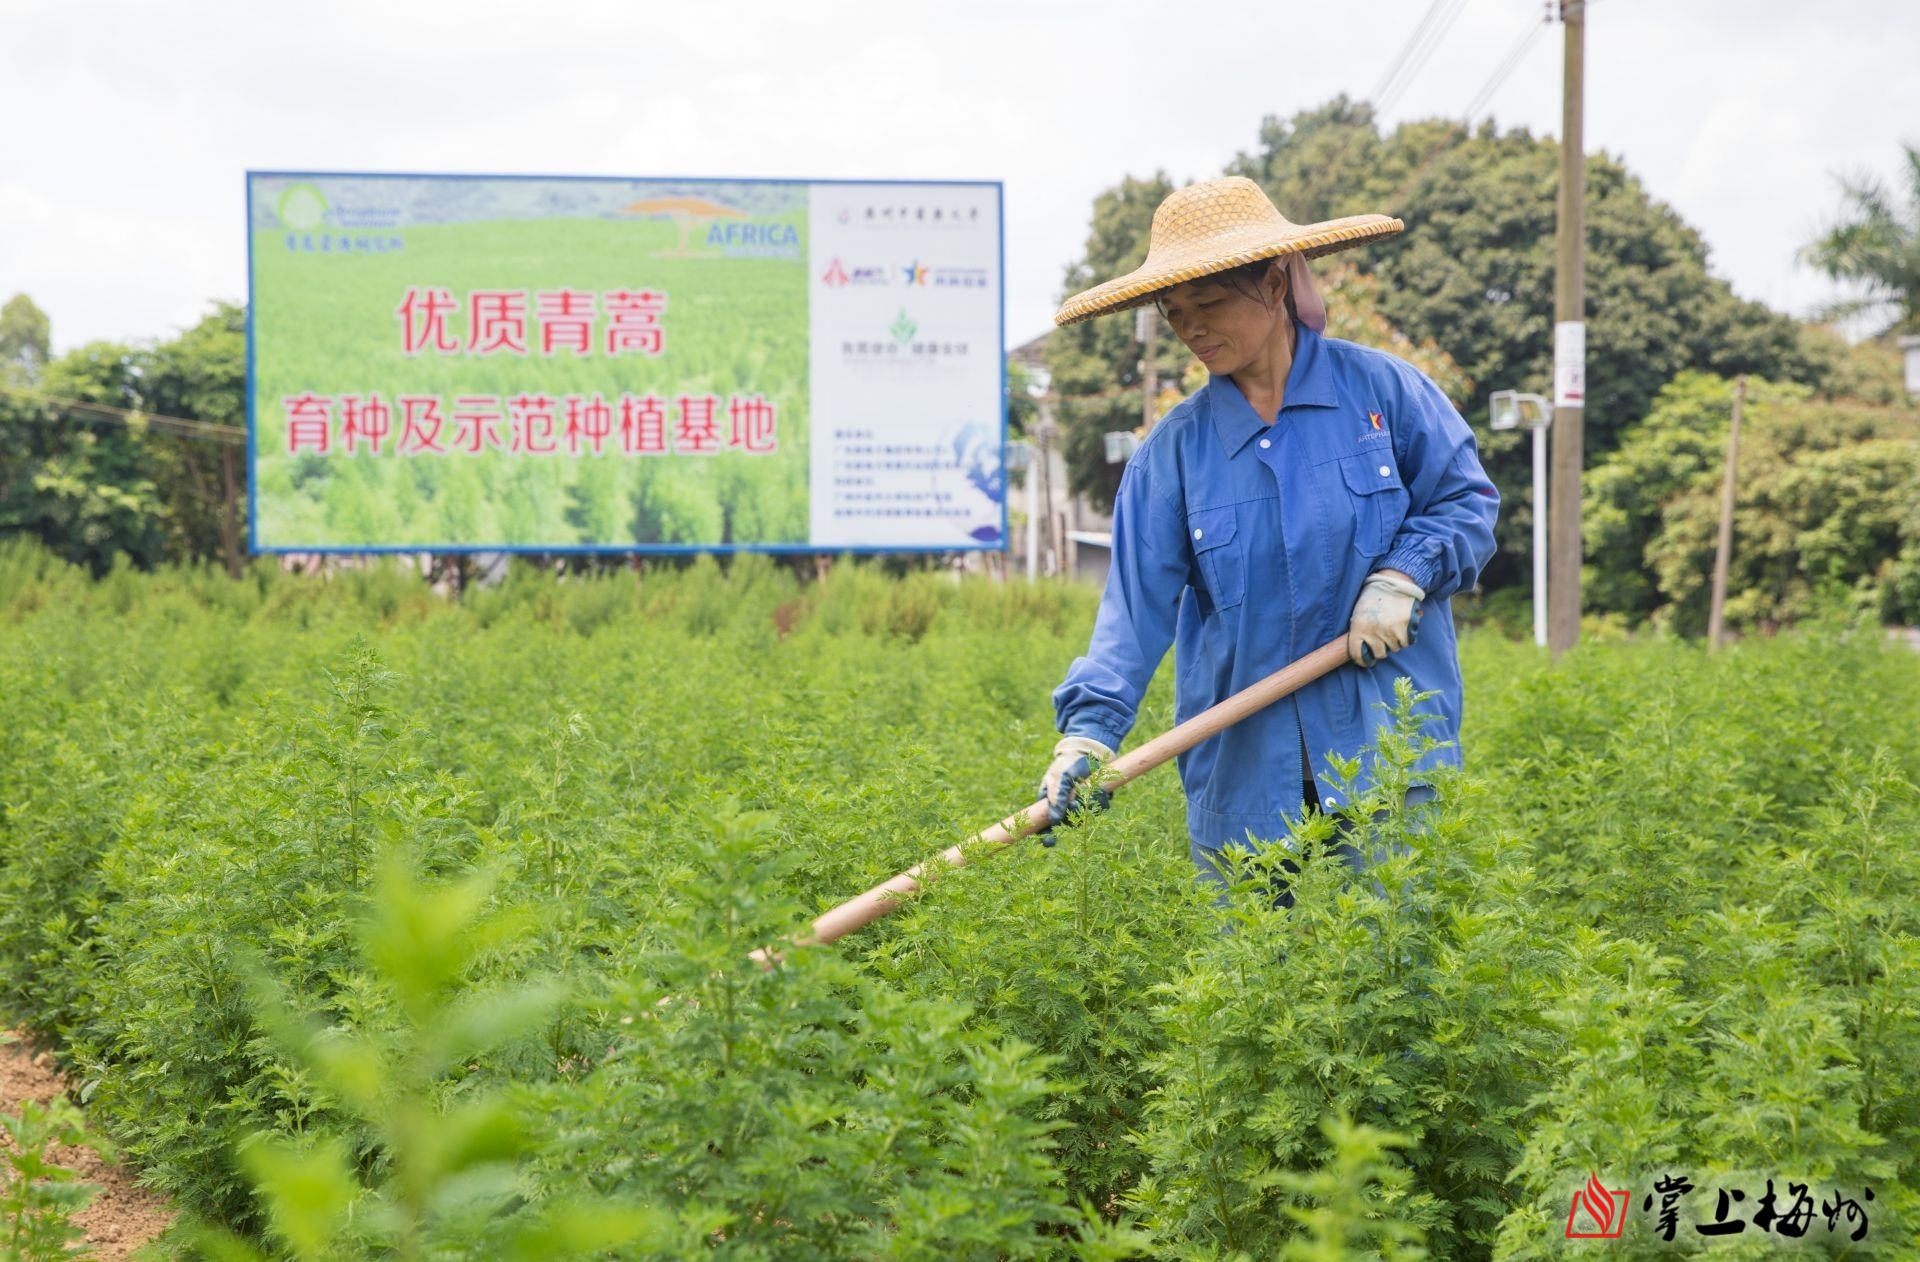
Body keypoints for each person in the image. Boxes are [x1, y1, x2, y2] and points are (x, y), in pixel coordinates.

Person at [1038, 176, 1499, 905]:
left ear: (1276, 284)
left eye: (1211, 302)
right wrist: (1090, 734)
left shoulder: (1385, 395)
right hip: (1245, 776)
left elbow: (1465, 502)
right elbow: (1132, 611)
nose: (1191, 327)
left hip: (1386, 756)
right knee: (1252, 993)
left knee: (1399, 977)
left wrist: (1407, 573)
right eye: (1175, 312)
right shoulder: (1174, 455)